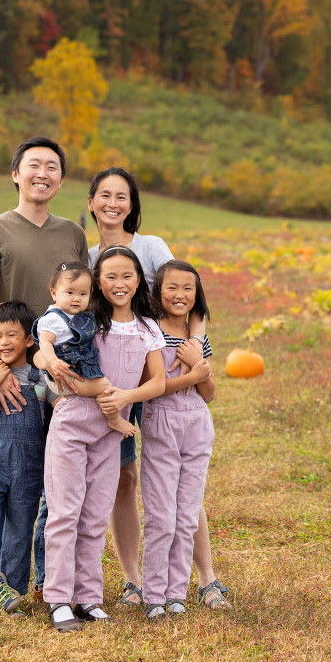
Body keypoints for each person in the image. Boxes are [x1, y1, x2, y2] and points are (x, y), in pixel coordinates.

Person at [86, 166, 228, 610]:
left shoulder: (151, 247)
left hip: (160, 373)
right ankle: (136, 581)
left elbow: (186, 291)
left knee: (183, 488)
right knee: (126, 479)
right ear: (91, 202)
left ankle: (205, 579)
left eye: (122, 196)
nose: (113, 203)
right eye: (104, 195)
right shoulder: (89, 256)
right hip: (117, 380)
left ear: (133, 205)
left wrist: (196, 346)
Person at [0, 136, 88, 607]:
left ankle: (43, 579)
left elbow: (79, 298)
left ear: (60, 177)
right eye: (33, 165)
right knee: (4, 475)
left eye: (52, 166)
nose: (42, 173)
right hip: (15, 368)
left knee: (52, 479)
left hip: (61, 371)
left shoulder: (71, 234)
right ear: (16, 173)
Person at [38, 246, 166, 631]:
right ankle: (59, 599)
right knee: (65, 511)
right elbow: (43, 348)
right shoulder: (85, 320)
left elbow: (157, 381)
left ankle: (89, 598)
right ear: (97, 282)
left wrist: (126, 398)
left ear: (139, 279)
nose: (119, 283)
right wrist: (46, 359)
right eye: (109, 276)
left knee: (94, 514)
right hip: (75, 422)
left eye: (127, 275)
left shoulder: (147, 327)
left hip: (113, 430)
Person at [0, 302, 58, 616]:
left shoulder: (40, 378)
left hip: (30, 463)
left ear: (28, 339)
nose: (3, 341)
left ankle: (11, 594)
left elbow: (60, 406)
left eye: (11, 335)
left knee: (19, 531)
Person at [140, 261, 216, 619]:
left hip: (197, 422)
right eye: (172, 287)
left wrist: (198, 361)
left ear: (196, 294)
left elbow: (210, 392)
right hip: (162, 420)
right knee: (161, 515)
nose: (180, 295)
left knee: (186, 515)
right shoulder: (149, 332)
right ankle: (153, 594)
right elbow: (149, 388)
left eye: (188, 288)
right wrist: (192, 373)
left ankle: (176, 593)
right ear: (158, 291)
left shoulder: (196, 337)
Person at [32, 261, 136, 437]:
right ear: (54, 293)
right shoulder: (53, 319)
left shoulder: (81, 316)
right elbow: (44, 343)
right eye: (70, 292)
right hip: (64, 375)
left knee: (102, 387)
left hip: (80, 366)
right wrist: (53, 362)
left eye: (83, 293)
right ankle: (114, 419)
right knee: (105, 387)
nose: (76, 298)